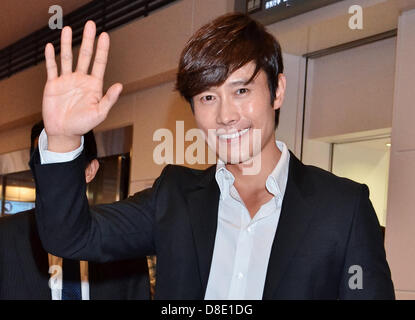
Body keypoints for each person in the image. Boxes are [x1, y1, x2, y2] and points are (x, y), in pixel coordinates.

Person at [30, 13, 394, 299]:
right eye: (207, 97)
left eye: (241, 90)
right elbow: (72, 237)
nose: (225, 115)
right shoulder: (175, 196)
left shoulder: (342, 207)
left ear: (277, 90)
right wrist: (62, 138)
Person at [0, 121, 150, 300]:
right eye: (45, 161)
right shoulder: (5, 238)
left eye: (65, 161)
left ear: (90, 170)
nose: (54, 174)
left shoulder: (126, 239)